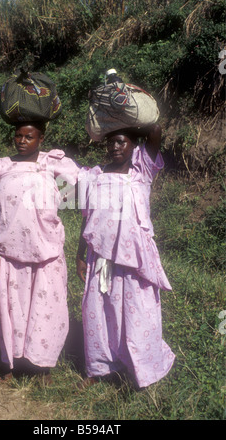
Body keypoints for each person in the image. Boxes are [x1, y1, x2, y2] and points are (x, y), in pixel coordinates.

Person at [76, 124, 175, 389]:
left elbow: (155, 132)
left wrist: (130, 116)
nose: (116, 147)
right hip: (101, 257)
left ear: (134, 145)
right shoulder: (95, 175)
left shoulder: (141, 170)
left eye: (122, 142)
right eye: (111, 143)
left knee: (138, 313)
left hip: (135, 258)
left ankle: (141, 368)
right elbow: (87, 218)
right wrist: (80, 254)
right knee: (97, 311)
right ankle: (98, 369)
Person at [0, 121, 80, 383]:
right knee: (10, 310)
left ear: (41, 138)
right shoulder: (1, 166)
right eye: (18, 135)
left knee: (46, 308)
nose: (22, 140)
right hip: (8, 253)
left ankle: (41, 366)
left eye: (29, 136)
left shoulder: (53, 164)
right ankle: (9, 363)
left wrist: (58, 201)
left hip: (46, 253)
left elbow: (76, 191)